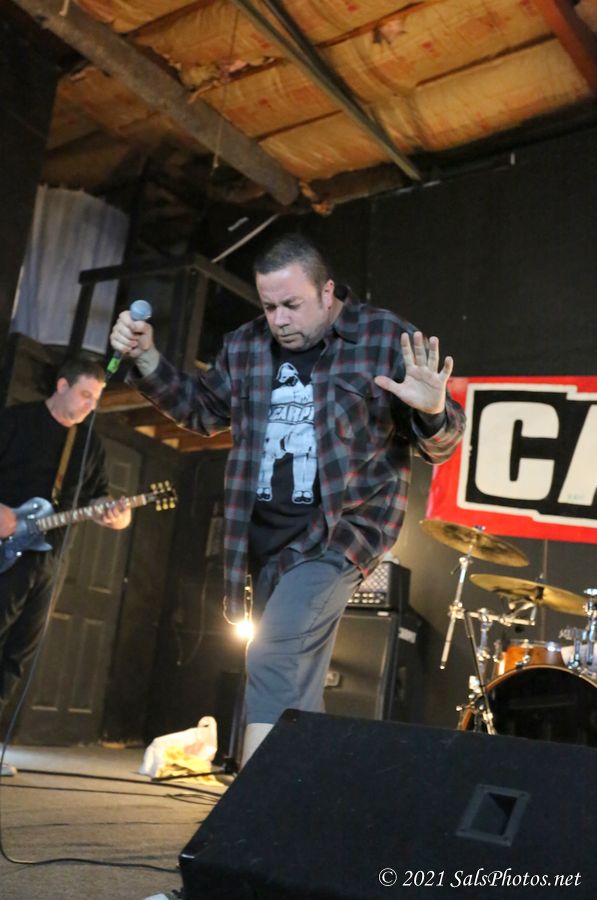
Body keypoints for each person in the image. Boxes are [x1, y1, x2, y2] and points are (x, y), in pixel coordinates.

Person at [110, 233, 465, 769]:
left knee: (273, 653)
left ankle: (252, 805)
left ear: (327, 292)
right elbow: (202, 411)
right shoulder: (244, 345)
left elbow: (441, 446)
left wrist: (434, 411)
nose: (279, 319)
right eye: (269, 306)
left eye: (292, 305)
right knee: (294, 681)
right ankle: (298, 800)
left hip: (340, 534)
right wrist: (146, 357)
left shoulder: (382, 337)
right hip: (262, 540)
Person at [0, 357, 131, 774]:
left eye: (97, 399)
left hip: (50, 560)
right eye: (85, 394)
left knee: (17, 654)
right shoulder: (15, 421)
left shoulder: (89, 444)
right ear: (61, 386)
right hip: (5, 554)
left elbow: (99, 497)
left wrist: (115, 514)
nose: (91, 405)